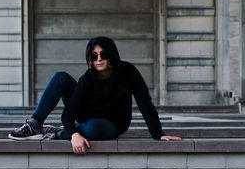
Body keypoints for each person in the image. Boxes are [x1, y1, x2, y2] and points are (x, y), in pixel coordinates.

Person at [9, 36, 182, 154]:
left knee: (93, 128)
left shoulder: (128, 72)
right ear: (90, 59)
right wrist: (75, 135)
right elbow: (68, 114)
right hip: (86, 116)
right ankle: (35, 124)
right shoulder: (87, 78)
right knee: (60, 77)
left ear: (111, 56)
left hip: (111, 125)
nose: (99, 59)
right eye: (94, 55)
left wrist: (158, 133)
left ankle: (56, 133)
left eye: (103, 54)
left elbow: (145, 102)